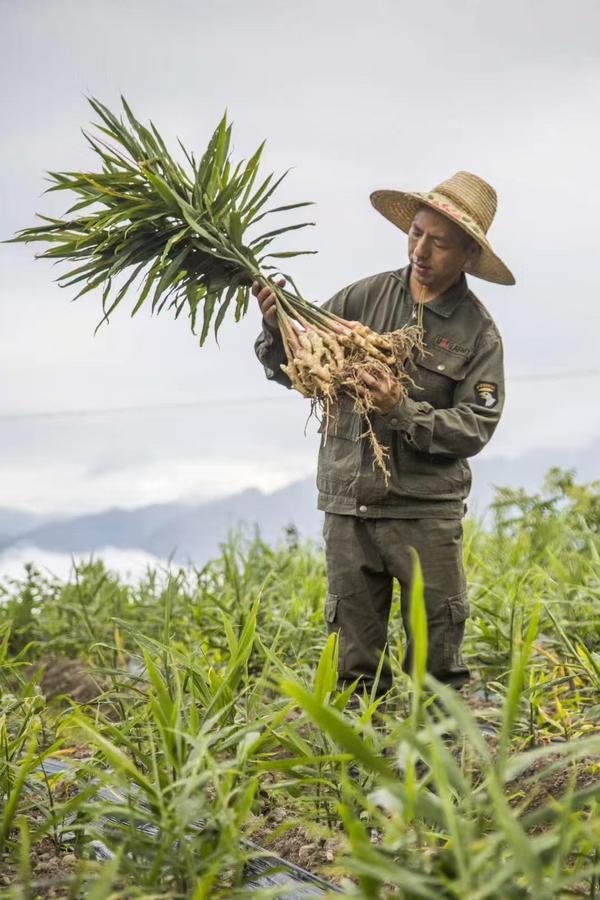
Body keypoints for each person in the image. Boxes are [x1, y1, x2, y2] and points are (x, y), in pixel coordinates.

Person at [253, 171, 514, 696]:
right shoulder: (363, 296)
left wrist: (400, 407)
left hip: (424, 514)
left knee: (436, 668)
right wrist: (276, 327)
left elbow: (474, 428)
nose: (421, 250)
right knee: (352, 670)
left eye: (439, 243)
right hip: (349, 509)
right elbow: (297, 370)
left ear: (467, 255)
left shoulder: (476, 333)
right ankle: (357, 770)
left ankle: (440, 771)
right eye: (416, 233)